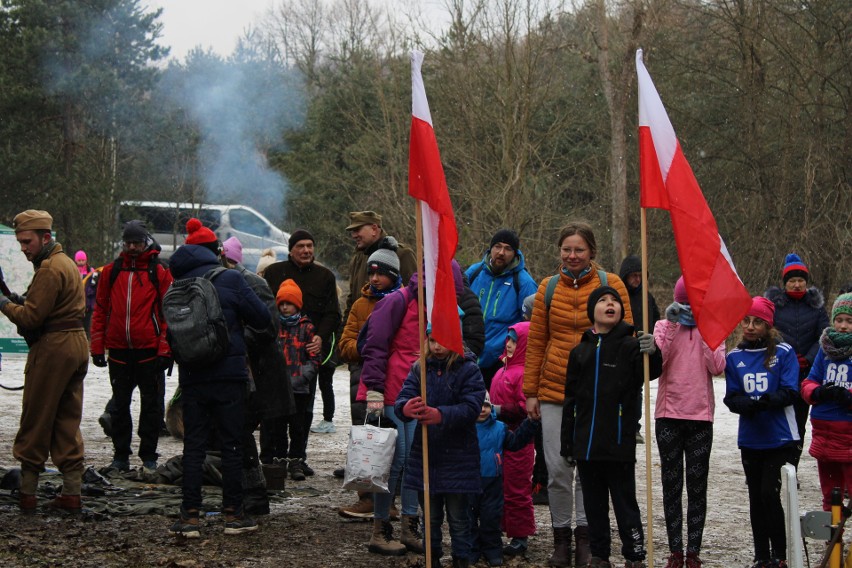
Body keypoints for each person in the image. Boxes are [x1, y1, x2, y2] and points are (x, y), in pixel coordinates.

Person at [523, 221, 633, 567]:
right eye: (566, 249)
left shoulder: (610, 285)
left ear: (592, 253)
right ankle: (560, 538)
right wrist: (531, 392)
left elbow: (626, 338)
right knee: (556, 469)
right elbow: (537, 340)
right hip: (555, 389)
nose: (572, 255)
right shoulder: (548, 288)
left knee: (590, 470)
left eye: (579, 249)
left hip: (599, 393)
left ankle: (588, 538)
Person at [167, 218, 270, 537]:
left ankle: (190, 517)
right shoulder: (230, 279)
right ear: (215, 251)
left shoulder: (176, 285)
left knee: (194, 445)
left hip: (193, 376)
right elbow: (263, 318)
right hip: (229, 375)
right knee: (232, 444)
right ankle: (233, 515)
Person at [560, 286, 662, 568]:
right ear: (592, 310)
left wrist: (652, 351)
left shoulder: (630, 346)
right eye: (603, 301)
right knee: (594, 506)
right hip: (586, 445)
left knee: (625, 503)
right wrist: (568, 443)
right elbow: (570, 400)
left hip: (618, 442)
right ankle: (600, 555)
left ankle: (635, 555)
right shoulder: (580, 351)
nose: (609, 304)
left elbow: (651, 372)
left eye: (615, 301)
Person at [0, 210, 89, 512]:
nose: (23, 248)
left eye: (27, 242)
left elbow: (32, 317)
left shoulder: (50, 268)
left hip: (54, 348)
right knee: (67, 421)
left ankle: (27, 494)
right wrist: (19, 300)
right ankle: (72, 493)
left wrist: (4, 304)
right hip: (75, 343)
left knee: (36, 418)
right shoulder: (64, 264)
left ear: (46, 237)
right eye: (21, 242)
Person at [395, 327, 487, 568]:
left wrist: (441, 414)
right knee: (430, 517)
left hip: (459, 459)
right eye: (432, 340)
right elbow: (403, 397)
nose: (437, 346)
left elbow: (472, 407)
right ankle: (431, 559)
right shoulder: (419, 368)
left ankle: (461, 560)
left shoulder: (469, 369)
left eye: (442, 340)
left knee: (458, 519)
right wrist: (405, 409)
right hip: (426, 456)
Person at [653, 276, 726, 568]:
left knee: (697, 487)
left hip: (700, 418)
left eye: (692, 303)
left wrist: (708, 329)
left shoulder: (712, 327)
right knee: (671, 485)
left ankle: (693, 550)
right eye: (683, 303)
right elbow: (659, 363)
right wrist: (672, 325)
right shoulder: (663, 325)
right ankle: (675, 551)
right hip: (668, 416)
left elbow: (717, 366)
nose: (688, 308)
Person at [90, 220, 173, 472]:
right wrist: (96, 346)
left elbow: (167, 313)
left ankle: (148, 456)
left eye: (137, 242)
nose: (133, 247)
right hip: (118, 349)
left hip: (149, 349)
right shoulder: (111, 271)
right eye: (128, 243)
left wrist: (164, 349)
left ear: (145, 241)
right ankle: (120, 456)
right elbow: (100, 309)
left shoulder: (158, 271)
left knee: (150, 407)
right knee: (120, 405)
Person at [724, 296, 800, 568]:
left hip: (781, 438)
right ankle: (761, 556)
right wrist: (749, 404)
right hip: (751, 439)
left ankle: (780, 554)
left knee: (770, 493)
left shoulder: (784, 353)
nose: (751, 326)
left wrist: (762, 401)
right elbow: (731, 398)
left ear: (768, 325)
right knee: (756, 497)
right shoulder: (735, 357)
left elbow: (791, 392)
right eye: (747, 320)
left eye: (758, 321)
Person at [221, 236, 295, 514]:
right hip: (246, 371)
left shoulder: (254, 283)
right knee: (238, 431)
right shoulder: (223, 281)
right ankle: (251, 492)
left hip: (262, 373)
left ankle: (256, 493)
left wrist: (234, 340)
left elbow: (269, 326)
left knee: (243, 431)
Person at [263, 230, 341, 477]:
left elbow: (333, 314)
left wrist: (320, 336)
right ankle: (272, 457)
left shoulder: (325, 276)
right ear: (291, 249)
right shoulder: (273, 273)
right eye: (301, 246)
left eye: (310, 246)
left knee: (303, 412)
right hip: (276, 357)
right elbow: (262, 308)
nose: (307, 250)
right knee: (273, 411)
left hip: (307, 355)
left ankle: (298, 457)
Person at [337, 241, 403, 519]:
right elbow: (345, 344)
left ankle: (393, 500)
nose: (375, 278)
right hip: (370, 384)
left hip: (399, 383)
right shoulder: (360, 305)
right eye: (371, 272)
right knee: (371, 437)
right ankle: (367, 497)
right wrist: (369, 346)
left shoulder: (404, 302)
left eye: (381, 273)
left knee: (398, 442)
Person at [764, 253, 829, 467]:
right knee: (777, 417)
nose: (797, 284)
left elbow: (823, 335)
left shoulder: (817, 307)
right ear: (785, 283)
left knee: (799, 422)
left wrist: (808, 358)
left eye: (801, 280)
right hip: (780, 370)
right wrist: (789, 356)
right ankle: (774, 463)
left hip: (807, 373)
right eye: (792, 280)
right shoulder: (775, 306)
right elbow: (770, 333)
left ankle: (792, 467)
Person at [469, 391, 540, 566]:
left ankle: (492, 549)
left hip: (493, 481)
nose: (482, 410)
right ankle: (471, 549)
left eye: (486, 405)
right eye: (478, 406)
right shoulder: (464, 428)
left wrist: (530, 424)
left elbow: (515, 442)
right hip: (469, 481)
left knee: (491, 518)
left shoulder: (500, 428)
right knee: (468, 519)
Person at [465, 229, 538, 387]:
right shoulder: (473, 273)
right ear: (490, 248)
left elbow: (530, 325)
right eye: (497, 246)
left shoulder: (524, 283)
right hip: (466, 356)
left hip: (499, 362)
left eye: (508, 248)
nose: (501, 252)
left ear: (515, 253)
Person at [488, 322, 536, 558]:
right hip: (497, 440)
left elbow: (522, 408)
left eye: (515, 340)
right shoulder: (501, 370)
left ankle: (520, 535)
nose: (509, 344)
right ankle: (500, 528)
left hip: (519, 442)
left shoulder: (525, 374)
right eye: (508, 339)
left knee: (517, 489)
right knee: (498, 487)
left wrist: (496, 410)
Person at [800, 293, 852, 512]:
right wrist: (818, 392)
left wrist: (847, 395)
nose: (843, 326)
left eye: (849, 321)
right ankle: (834, 542)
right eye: (839, 320)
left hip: (848, 431)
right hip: (824, 429)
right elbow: (809, 381)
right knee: (831, 495)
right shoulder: (825, 348)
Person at [270, 279, 319, 481]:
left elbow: (313, 360)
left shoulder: (306, 328)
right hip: (279, 388)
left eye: (288, 303)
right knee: (279, 427)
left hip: (299, 388)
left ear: (297, 304)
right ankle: (280, 459)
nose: (284, 307)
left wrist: (302, 378)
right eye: (281, 303)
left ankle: (296, 460)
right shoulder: (274, 326)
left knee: (297, 427)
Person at [344, 210, 416, 320]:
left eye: (357, 230)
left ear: (374, 229)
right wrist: (343, 333)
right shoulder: (358, 258)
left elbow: (414, 297)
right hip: (358, 333)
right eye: (352, 232)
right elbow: (352, 300)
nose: (354, 235)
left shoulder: (402, 254)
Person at [619, 254, 661, 443]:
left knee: (636, 390)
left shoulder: (647, 298)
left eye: (640, 275)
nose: (637, 279)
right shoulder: (617, 295)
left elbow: (656, 321)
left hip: (640, 349)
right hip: (620, 349)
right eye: (633, 275)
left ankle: (634, 427)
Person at [75, 250, 98, 336]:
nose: (81, 262)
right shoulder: (73, 270)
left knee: (86, 325)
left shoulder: (91, 271)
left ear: (86, 260)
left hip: (88, 303)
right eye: (79, 260)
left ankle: (86, 343)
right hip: (76, 304)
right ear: (75, 261)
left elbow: (94, 286)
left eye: (83, 260)